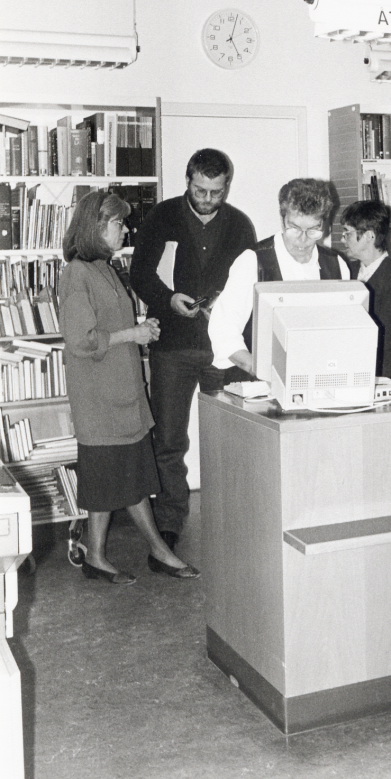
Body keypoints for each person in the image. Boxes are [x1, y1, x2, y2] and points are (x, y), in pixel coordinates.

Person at [59, 191, 200, 584]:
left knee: (124, 476)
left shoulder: (105, 266)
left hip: (119, 391)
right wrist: (133, 333)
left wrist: (139, 329)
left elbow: (108, 325)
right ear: (96, 225)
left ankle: (99, 556)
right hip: (99, 397)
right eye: (119, 223)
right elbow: (80, 340)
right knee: (117, 476)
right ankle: (159, 551)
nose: (126, 229)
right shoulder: (77, 273)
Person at [129, 149, 255, 551]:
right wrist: (169, 299)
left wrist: (226, 306)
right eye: (200, 189)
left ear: (226, 187)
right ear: (188, 181)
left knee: (231, 438)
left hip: (225, 348)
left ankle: (235, 513)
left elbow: (249, 284)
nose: (208, 198)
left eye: (217, 192)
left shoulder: (239, 225)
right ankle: (169, 522)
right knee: (168, 439)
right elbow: (139, 274)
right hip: (173, 343)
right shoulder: (162, 216)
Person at [208, 178, 349, 375]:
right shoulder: (253, 261)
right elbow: (223, 330)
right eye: (294, 228)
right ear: (282, 219)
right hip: (258, 380)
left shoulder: (337, 265)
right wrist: (259, 368)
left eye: (313, 230)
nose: (302, 239)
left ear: (324, 224)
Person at [339, 200, 391, 378]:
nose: (343, 239)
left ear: (369, 236)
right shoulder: (346, 270)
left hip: (383, 375)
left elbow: (385, 337)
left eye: (347, 233)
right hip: (348, 370)